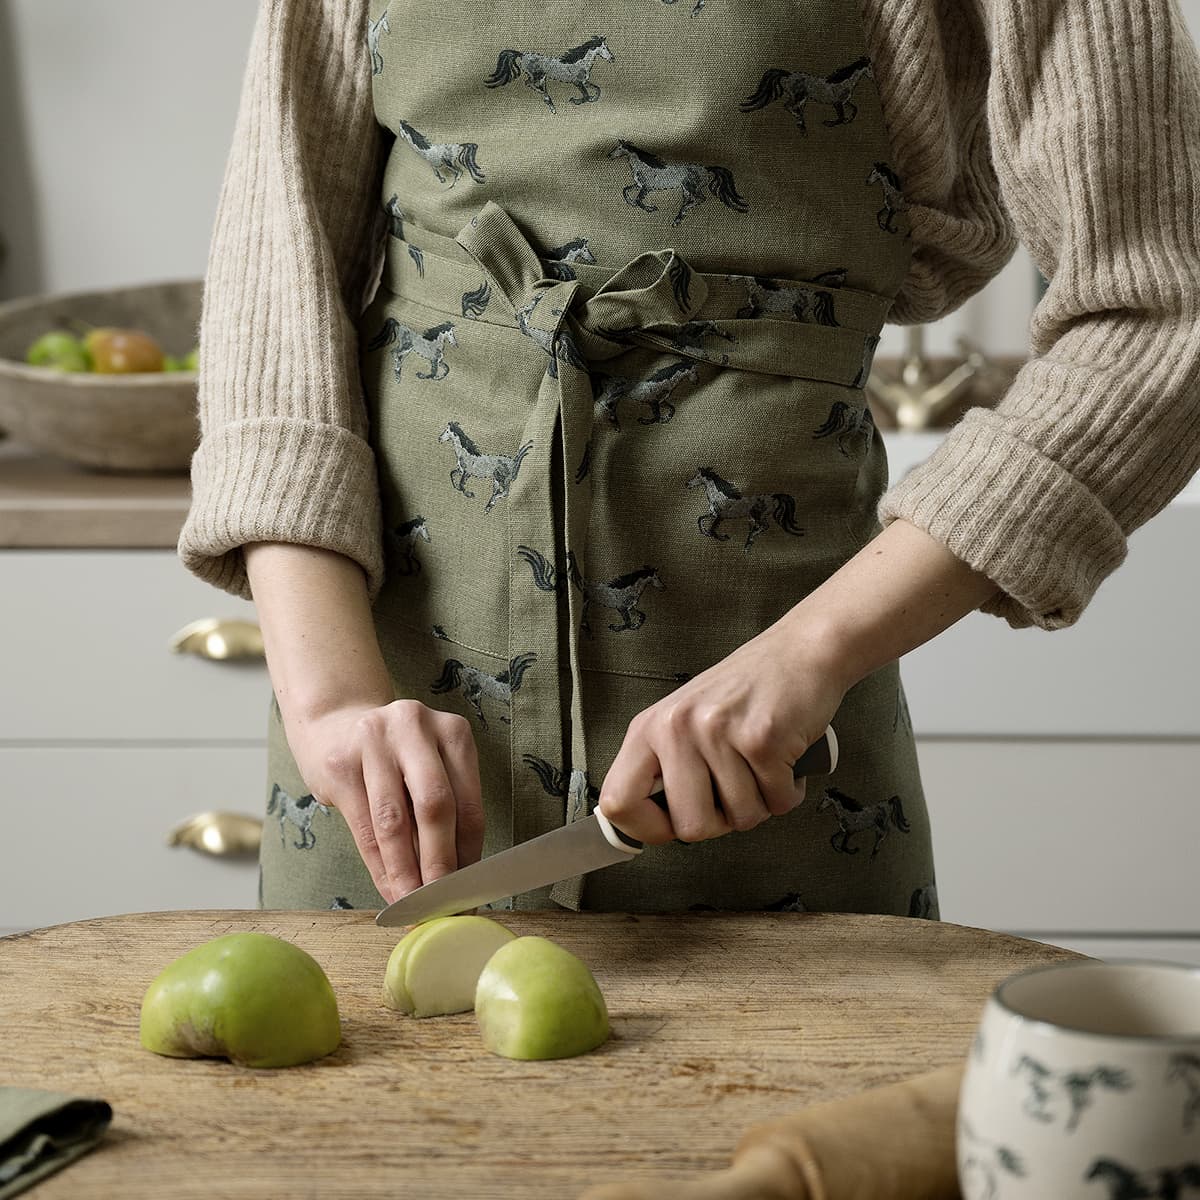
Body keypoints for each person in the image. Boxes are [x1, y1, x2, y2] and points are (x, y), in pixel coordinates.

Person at [178, 0, 1200, 916]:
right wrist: (331, 700)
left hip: (767, 757)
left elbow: (1163, 315)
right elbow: (277, 283)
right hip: (381, 760)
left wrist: (811, 657)